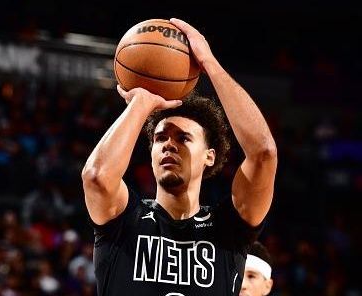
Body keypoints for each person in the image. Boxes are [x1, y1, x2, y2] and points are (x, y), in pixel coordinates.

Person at [81, 18, 277, 296]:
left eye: (183, 138)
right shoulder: (127, 220)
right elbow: (96, 177)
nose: (168, 145)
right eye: (160, 138)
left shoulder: (227, 230)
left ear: (209, 157)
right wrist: (141, 103)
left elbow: (263, 154)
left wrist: (209, 63)